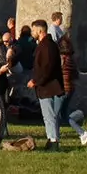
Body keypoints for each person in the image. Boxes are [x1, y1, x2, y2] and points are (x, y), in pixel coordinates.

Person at [27, 20, 66, 151]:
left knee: (49, 116)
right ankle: (51, 139)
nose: (32, 33)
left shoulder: (47, 46)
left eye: (33, 30)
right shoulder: (47, 45)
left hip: (48, 86)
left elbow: (46, 68)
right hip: (48, 85)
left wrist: (36, 81)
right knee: (50, 116)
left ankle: (53, 141)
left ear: (40, 31)